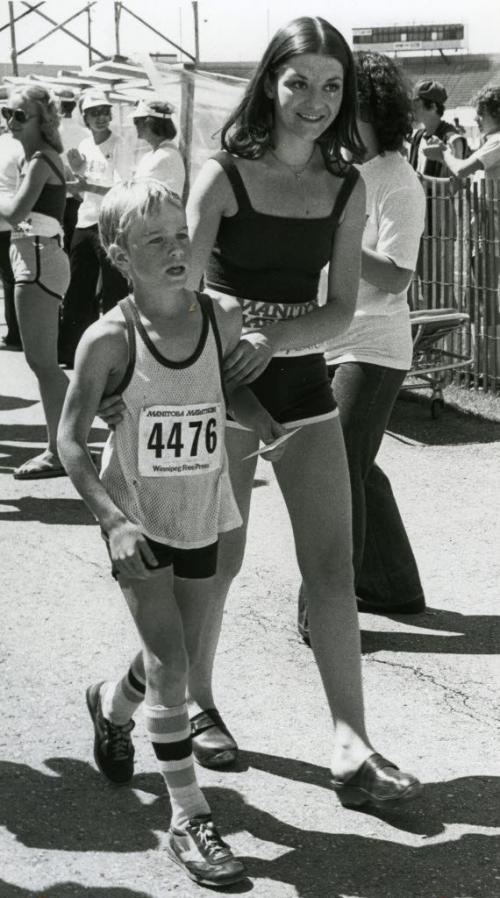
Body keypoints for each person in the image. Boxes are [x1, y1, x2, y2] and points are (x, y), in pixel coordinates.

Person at [98, 17, 422, 810]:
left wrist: (271, 338)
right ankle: (181, 698)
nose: (315, 102)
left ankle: (352, 743)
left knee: (334, 567)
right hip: (212, 390)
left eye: (332, 85)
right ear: (271, 83)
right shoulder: (222, 176)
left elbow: (343, 307)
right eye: (299, 81)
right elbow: (177, 282)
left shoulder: (347, 187)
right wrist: (227, 327)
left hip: (299, 379)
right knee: (212, 570)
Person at [57, 178, 287, 886]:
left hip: (201, 506)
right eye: (154, 241)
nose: (175, 250)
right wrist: (114, 522)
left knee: (176, 655)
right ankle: (189, 817)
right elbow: (68, 441)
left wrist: (262, 417)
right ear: (120, 255)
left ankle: (110, 703)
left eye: (180, 236)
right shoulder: (109, 338)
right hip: (138, 516)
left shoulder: (220, 316)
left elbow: (220, 391)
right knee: (174, 666)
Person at [298, 51, 426, 636]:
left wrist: (334, 235)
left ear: (368, 110)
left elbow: (398, 275)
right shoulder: (344, 170)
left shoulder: (398, 180)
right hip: (330, 336)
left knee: (337, 471)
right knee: (358, 466)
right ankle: (395, 587)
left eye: (343, 100)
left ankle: (329, 614)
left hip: (373, 346)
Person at [0, 85, 70, 479]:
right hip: (36, 255)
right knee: (41, 362)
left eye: (19, 115)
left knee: (43, 363)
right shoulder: (35, 159)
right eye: (7, 113)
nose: (10, 121)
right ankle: (60, 446)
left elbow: (14, 211)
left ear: (41, 120)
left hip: (38, 259)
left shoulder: (41, 159)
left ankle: (59, 450)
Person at [58, 89, 130, 368]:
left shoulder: (119, 144)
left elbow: (122, 186)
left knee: (114, 289)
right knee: (77, 286)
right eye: (94, 113)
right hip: (85, 222)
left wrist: (86, 185)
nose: (101, 117)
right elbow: (82, 192)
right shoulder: (85, 145)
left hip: (109, 224)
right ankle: (72, 351)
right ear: (85, 118)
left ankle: (113, 355)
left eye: (105, 111)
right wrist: (77, 178)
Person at [409, 80, 466, 308]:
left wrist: (423, 182)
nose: (412, 109)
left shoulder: (452, 139)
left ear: (432, 107)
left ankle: (447, 338)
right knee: (416, 286)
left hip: (438, 224)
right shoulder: (417, 137)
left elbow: (456, 185)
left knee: (439, 290)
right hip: (416, 222)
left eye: (417, 104)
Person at [54, 87, 87, 255]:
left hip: (56, 193)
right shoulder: (85, 133)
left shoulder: (51, 132)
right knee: (74, 238)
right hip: (78, 192)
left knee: (57, 239)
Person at [132, 98, 185, 196]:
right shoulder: (155, 154)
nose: (135, 124)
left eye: (136, 121)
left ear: (149, 123)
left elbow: (135, 194)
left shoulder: (164, 156)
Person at [0, 128, 24, 350]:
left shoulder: (14, 144)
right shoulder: (20, 144)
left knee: (12, 279)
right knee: (14, 279)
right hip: (15, 219)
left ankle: (16, 333)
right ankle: (17, 333)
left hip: (11, 220)